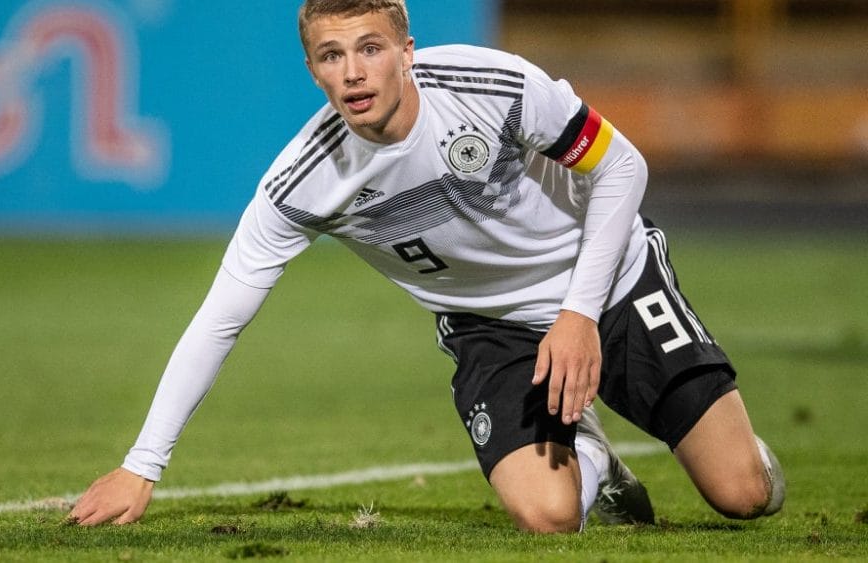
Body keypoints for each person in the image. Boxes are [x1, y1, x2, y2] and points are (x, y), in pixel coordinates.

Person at [68, 0, 784, 532]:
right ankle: (600, 461)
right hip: (492, 327)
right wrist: (142, 463)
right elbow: (220, 317)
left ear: (407, 49)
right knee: (547, 516)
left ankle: (719, 441)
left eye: (370, 48)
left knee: (742, 493)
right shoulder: (304, 181)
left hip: (613, 284)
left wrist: (578, 313)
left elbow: (622, 165)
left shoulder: (491, 85)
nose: (352, 72)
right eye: (331, 55)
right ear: (312, 68)